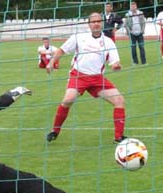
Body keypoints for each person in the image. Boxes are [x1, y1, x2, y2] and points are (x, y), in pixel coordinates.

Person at [45, 12, 126, 144]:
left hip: (97, 79)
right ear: (89, 24)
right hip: (79, 76)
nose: (96, 24)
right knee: (68, 100)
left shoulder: (108, 42)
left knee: (119, 101)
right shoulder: (79, 37)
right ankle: (55, 131)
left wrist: (116, 66)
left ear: (102, 23)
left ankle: (119, 137)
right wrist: (51, 62)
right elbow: (61, 50)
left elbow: (114, 62)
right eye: (93, 22)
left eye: (99, 21)